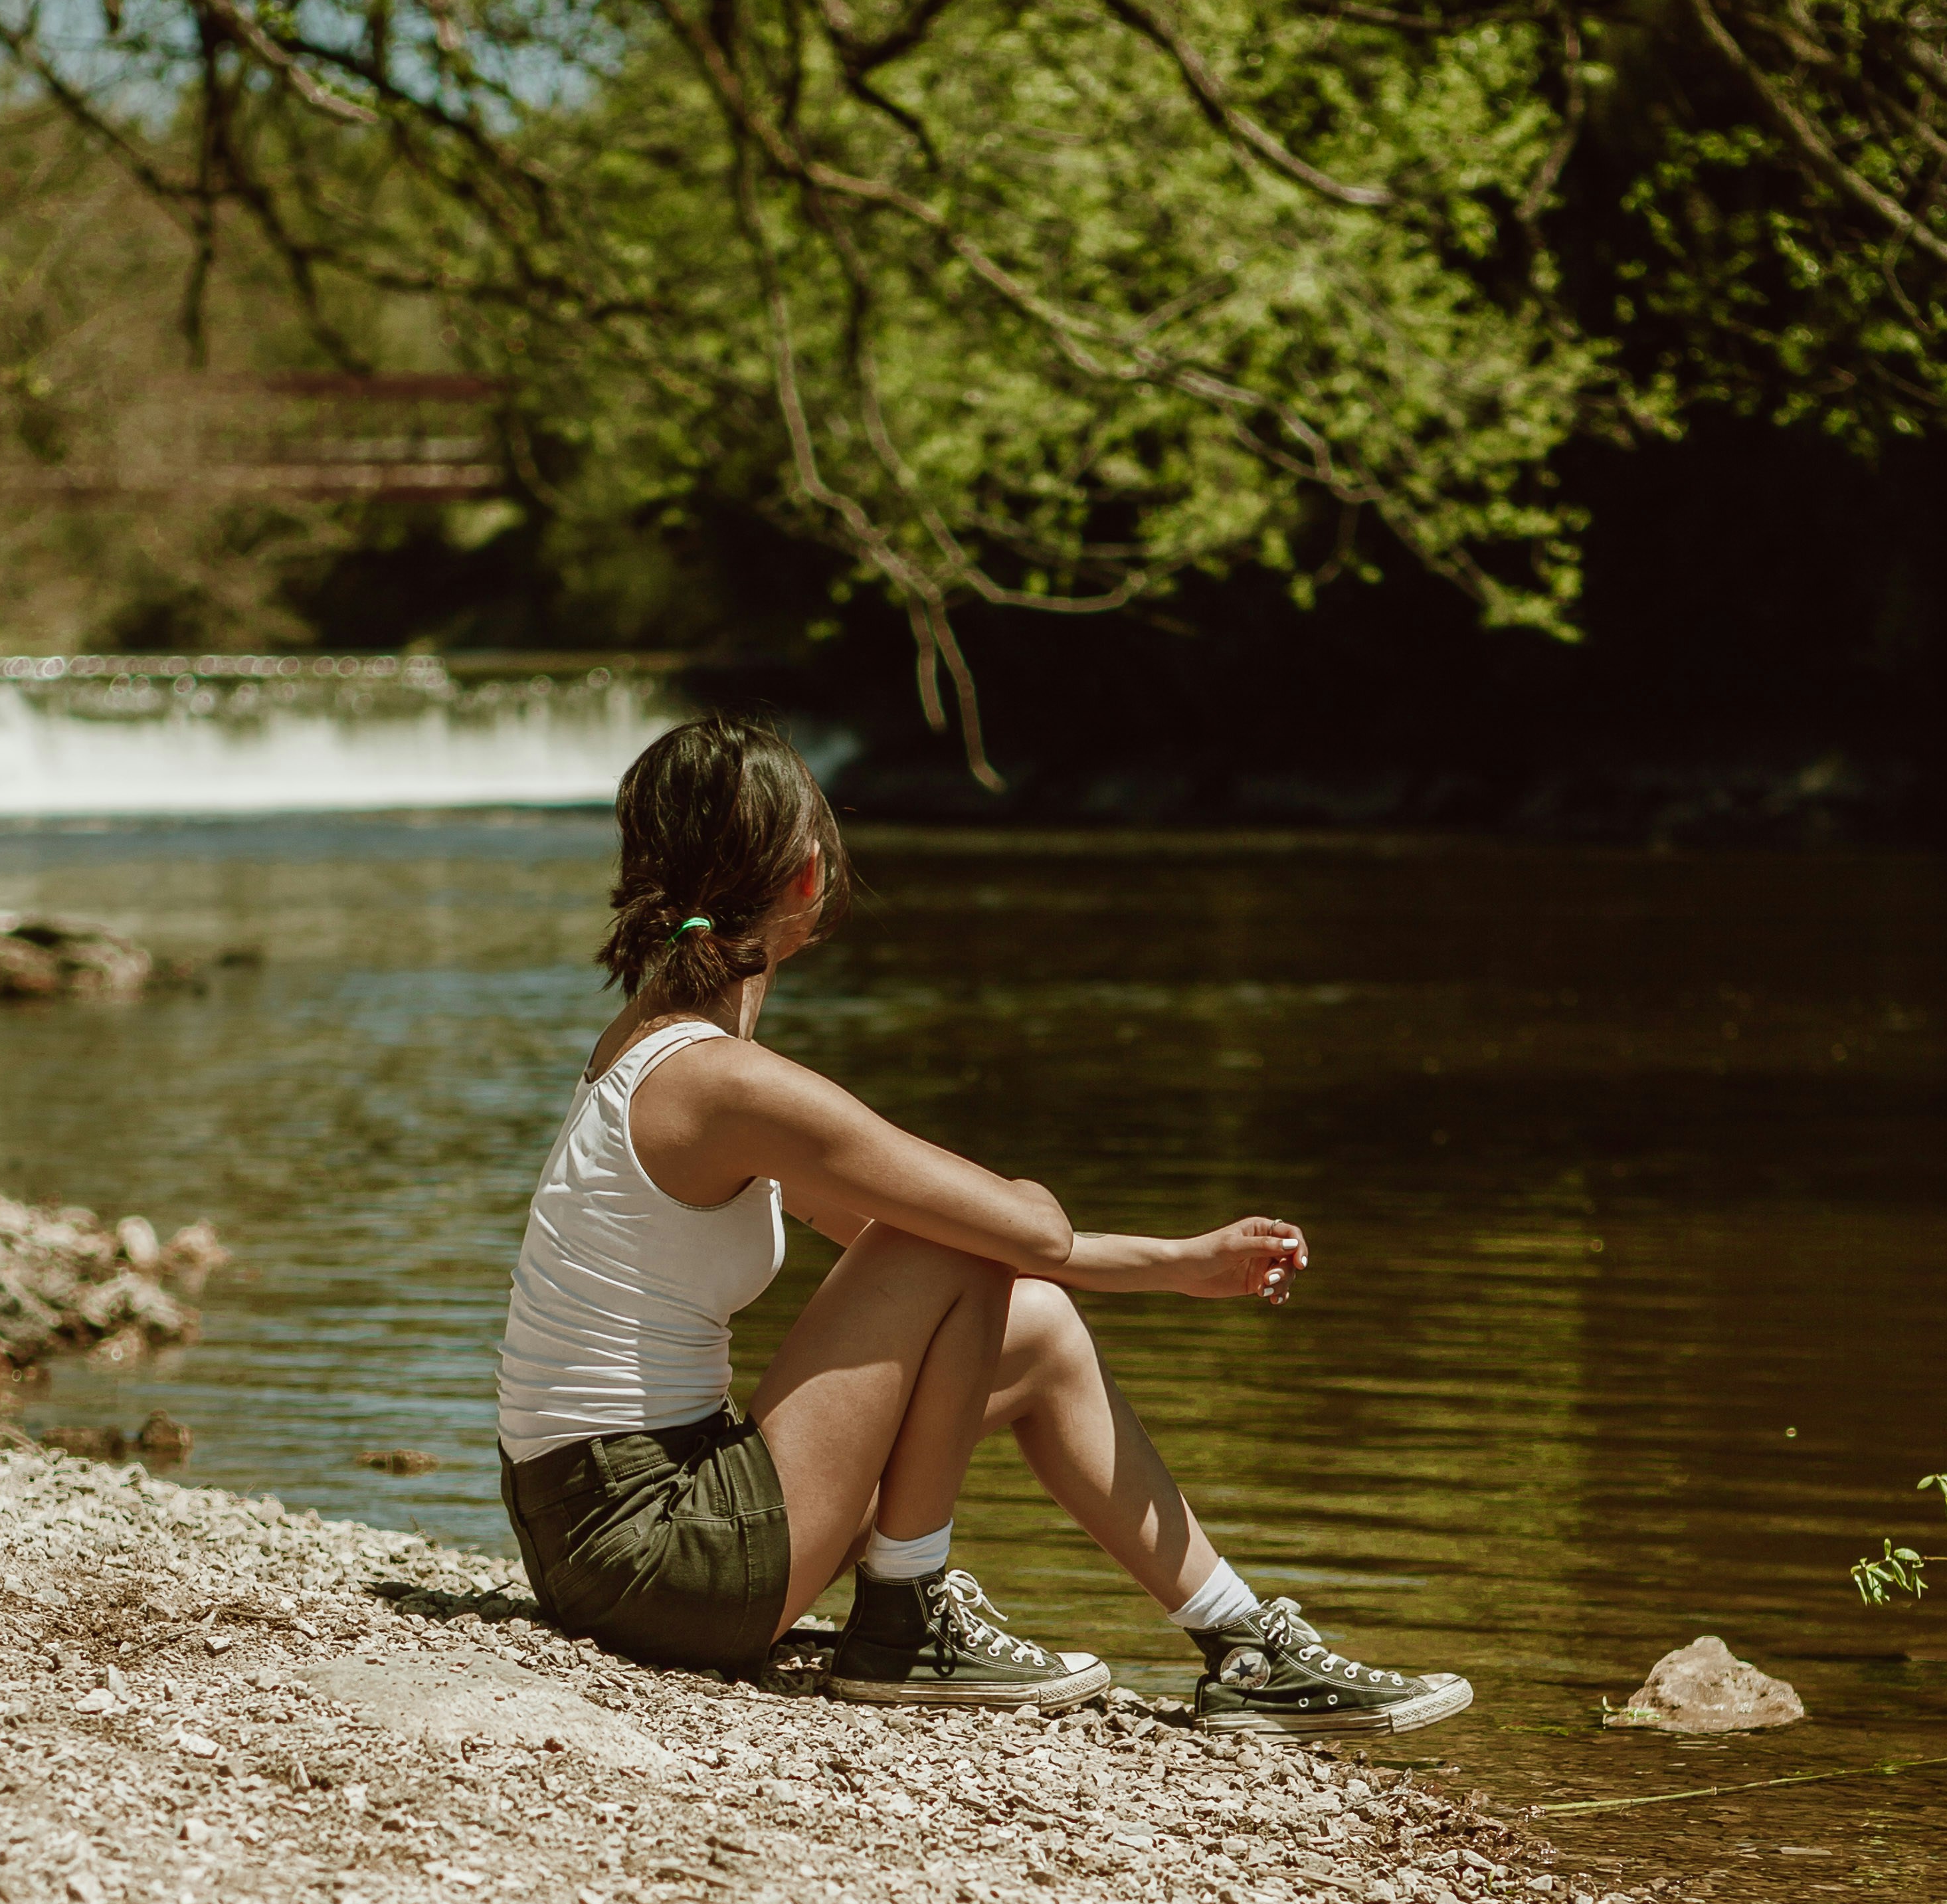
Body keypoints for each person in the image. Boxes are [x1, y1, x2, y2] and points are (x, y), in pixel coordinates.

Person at [496, 716, 1472, 1737]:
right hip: (657, 1556)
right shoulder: (723, 1081)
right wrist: (1029, 1205)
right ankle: (906, 1620)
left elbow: (981, 1251)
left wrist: (1181, 1264)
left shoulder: (657, 1049)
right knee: (957, 1230)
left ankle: (1242, 1642)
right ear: (807, 878)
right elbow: (1003, 1229)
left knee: (1037, 1325)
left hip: (612, 1537)